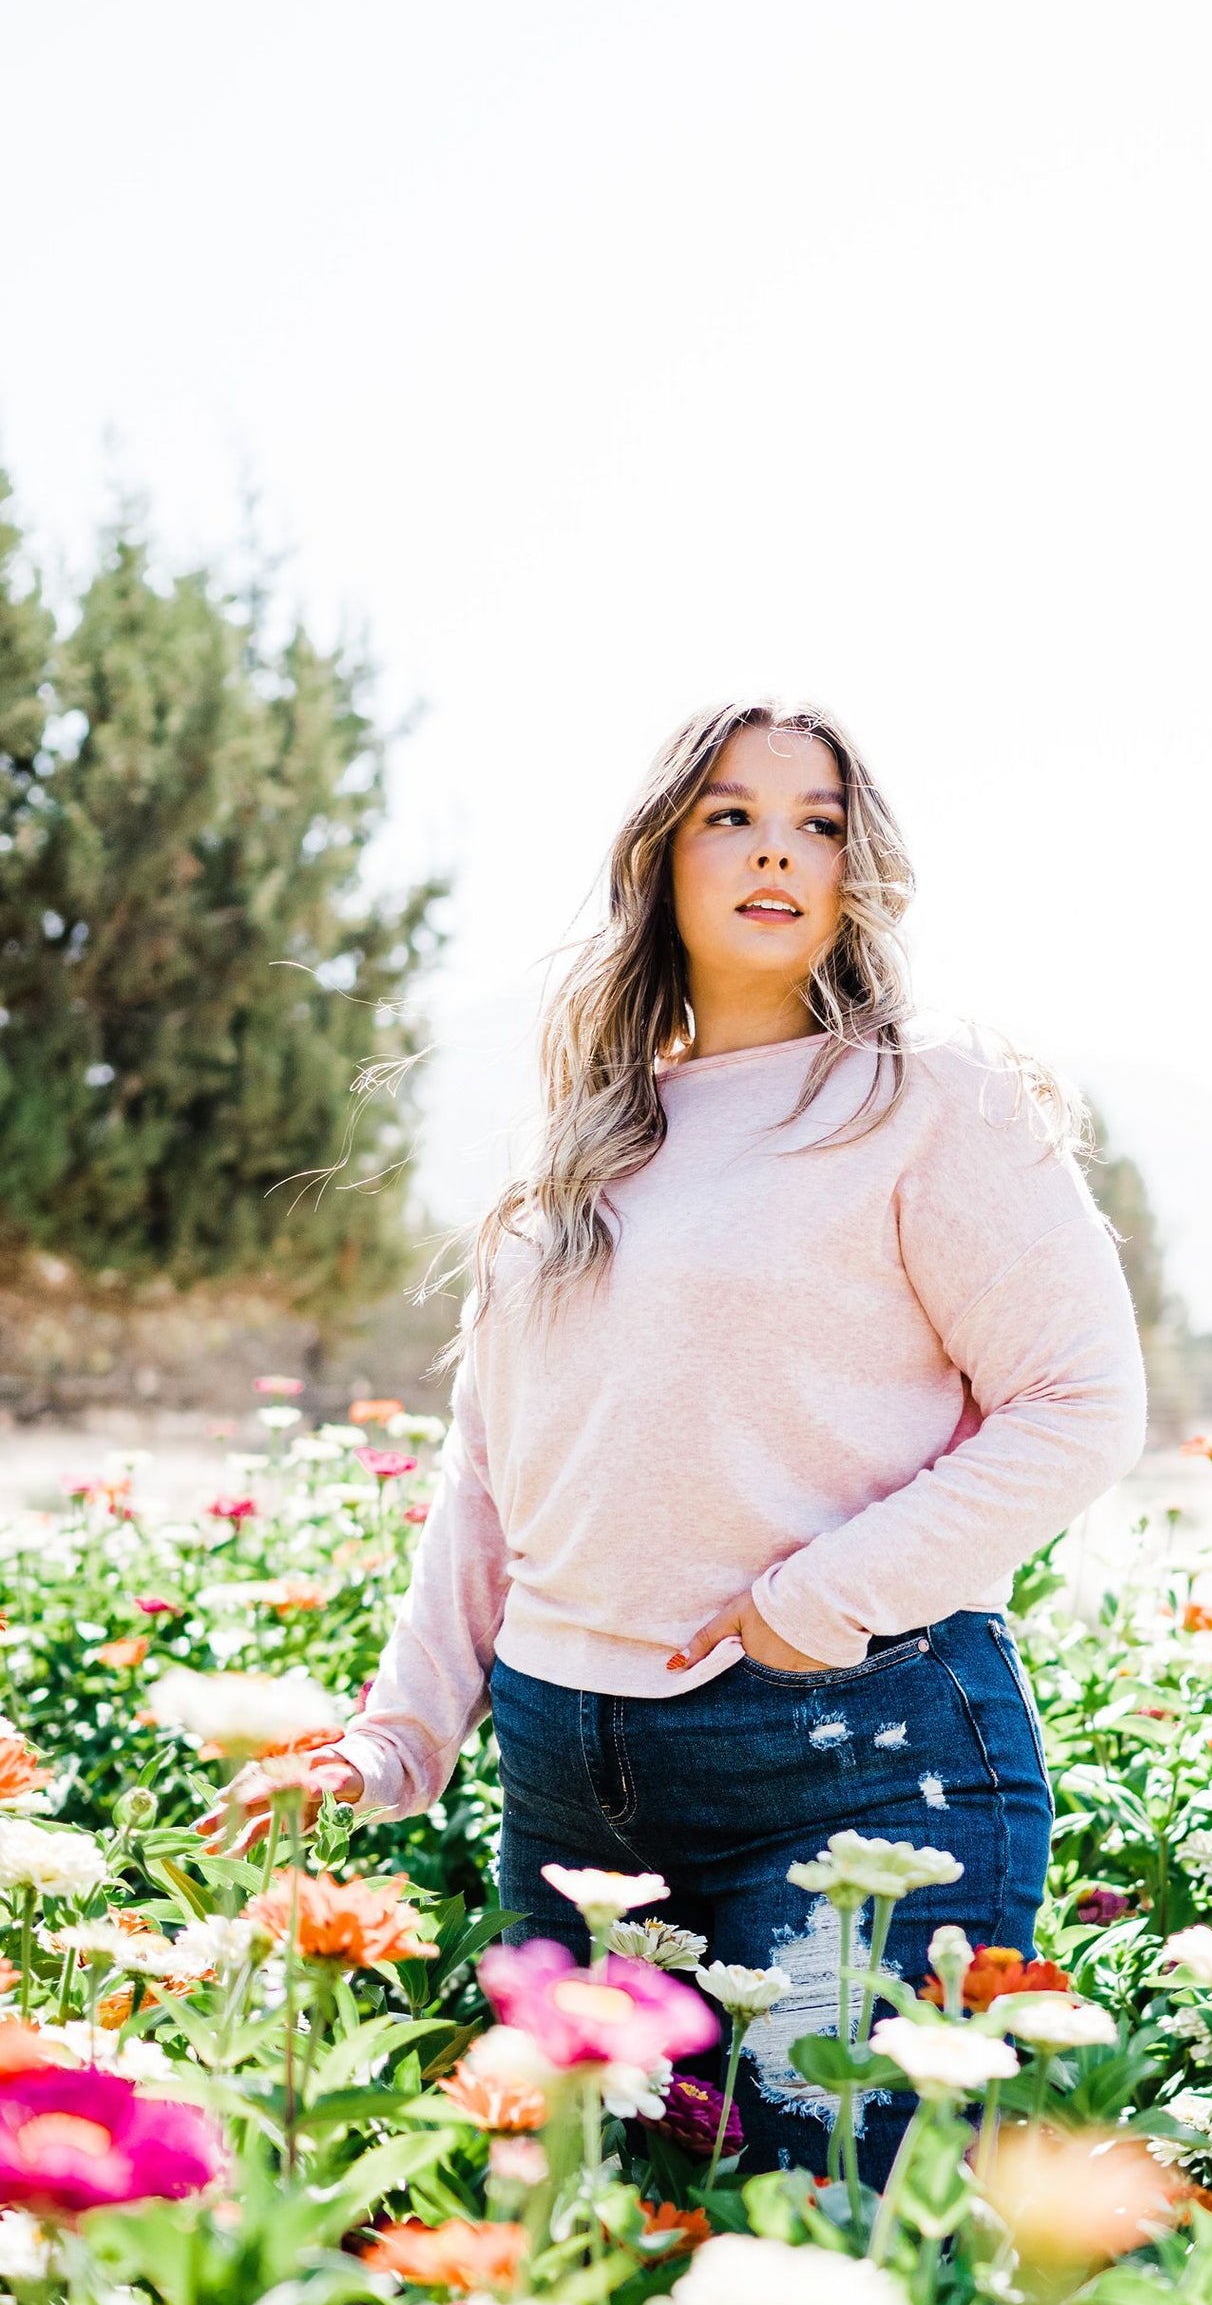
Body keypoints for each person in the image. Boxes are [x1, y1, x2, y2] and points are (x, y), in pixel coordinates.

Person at [200, 701, 1147, 2177]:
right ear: (661, 854)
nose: (778, 848)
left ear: (857, 866)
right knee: (601, 2250)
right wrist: (392, 1740)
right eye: (730, 814)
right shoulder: (586, 1136)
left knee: (810, 2241)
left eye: (818, 822)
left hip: (851, 1759)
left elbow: (1080, 1403)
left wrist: (803, 1606)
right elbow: (492, 1475)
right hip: (567, 1780)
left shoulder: (928, 1100)